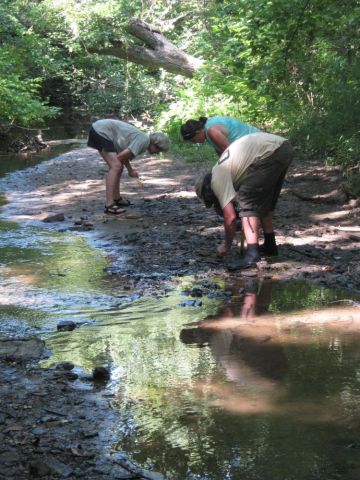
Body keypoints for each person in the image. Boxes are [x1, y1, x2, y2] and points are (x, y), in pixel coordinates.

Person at [194, 132, 294, 269]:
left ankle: (252, 255)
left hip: (270, 152)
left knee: (246, 202)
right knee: (261, 202)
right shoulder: (225, 172)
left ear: (208, 192)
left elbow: (230, 217)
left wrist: (226, 246)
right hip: (282, 147)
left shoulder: (216, 180)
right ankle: (270, 246)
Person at [87, 118, 170, 214]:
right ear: (155, 145)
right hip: (102, 131)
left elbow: (123, 155)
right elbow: (120, 156)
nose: (157, 153)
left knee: (118, 166)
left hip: (98, 129)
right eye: (158, 150)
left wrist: (130, 170)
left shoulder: (143, 140)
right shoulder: (143, 141)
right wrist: (122, 167)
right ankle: (109, 204)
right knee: (116, 166)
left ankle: (116, 198)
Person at [180, 116, 260, 156]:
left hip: (256, 141)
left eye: (193, 140)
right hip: (250, 143)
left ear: (198, 132)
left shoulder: (212, 131)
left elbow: (231, 155)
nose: (194, 143)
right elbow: (222, 155)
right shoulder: (208, 131)